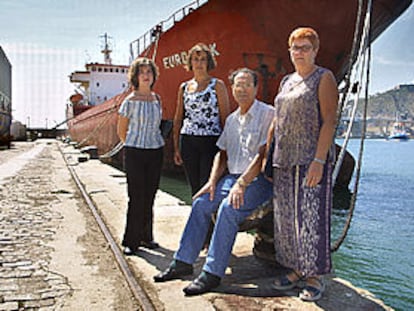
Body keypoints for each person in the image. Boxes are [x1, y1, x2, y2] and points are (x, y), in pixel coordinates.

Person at [154, 68, 275, 296]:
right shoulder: (231, 120)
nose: (242, 89)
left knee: (228, 209)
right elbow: (222, 153)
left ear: (256, 88)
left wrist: (242, 184)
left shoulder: (268, 113)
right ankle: (183, 261)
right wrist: (211, 182)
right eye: (238, 85)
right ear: (232, 89)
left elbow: (263, 153)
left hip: (257, 181)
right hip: (231, 178)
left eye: (247, 84)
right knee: (200, 203)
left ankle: (212, 273)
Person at [269, 27, 338, 302]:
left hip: (310, 159)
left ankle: (314, 276)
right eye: (295, 47)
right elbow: (277, 118)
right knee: (288, 220)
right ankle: (298, 269)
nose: (299, 52)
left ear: (315, 50)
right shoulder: (286, 80)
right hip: (284, 159)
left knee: (310, 217)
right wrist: (267, 154)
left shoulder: (324, 77)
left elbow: (330, 120)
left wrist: (319, 161)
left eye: (305, 47)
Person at [117, 57, 165, 255]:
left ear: (153, 76)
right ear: (135, 76)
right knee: (136, 197)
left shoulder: (157, 99)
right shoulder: (129, 101)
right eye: (142, 72)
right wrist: (134, 144)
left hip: (155, 151)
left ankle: (147, 236)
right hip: (135, 152)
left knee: (150, 196)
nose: (146, 76)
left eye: (149, 72)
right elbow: (122, 130)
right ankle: (131, 240)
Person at [173, 42, 230, 196]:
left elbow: (225, 118)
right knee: (194, 186)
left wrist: (227, 148)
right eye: (195, 59)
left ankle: (206, 219)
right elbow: (178, 118)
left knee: (207, 185)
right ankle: (197, 218)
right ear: (190, 62)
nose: (199, 63)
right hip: (188, 141)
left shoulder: (217, 85)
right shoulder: (184, 87)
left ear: (208, 62)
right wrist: (176, 148)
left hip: (211, 141)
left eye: (203, 59)